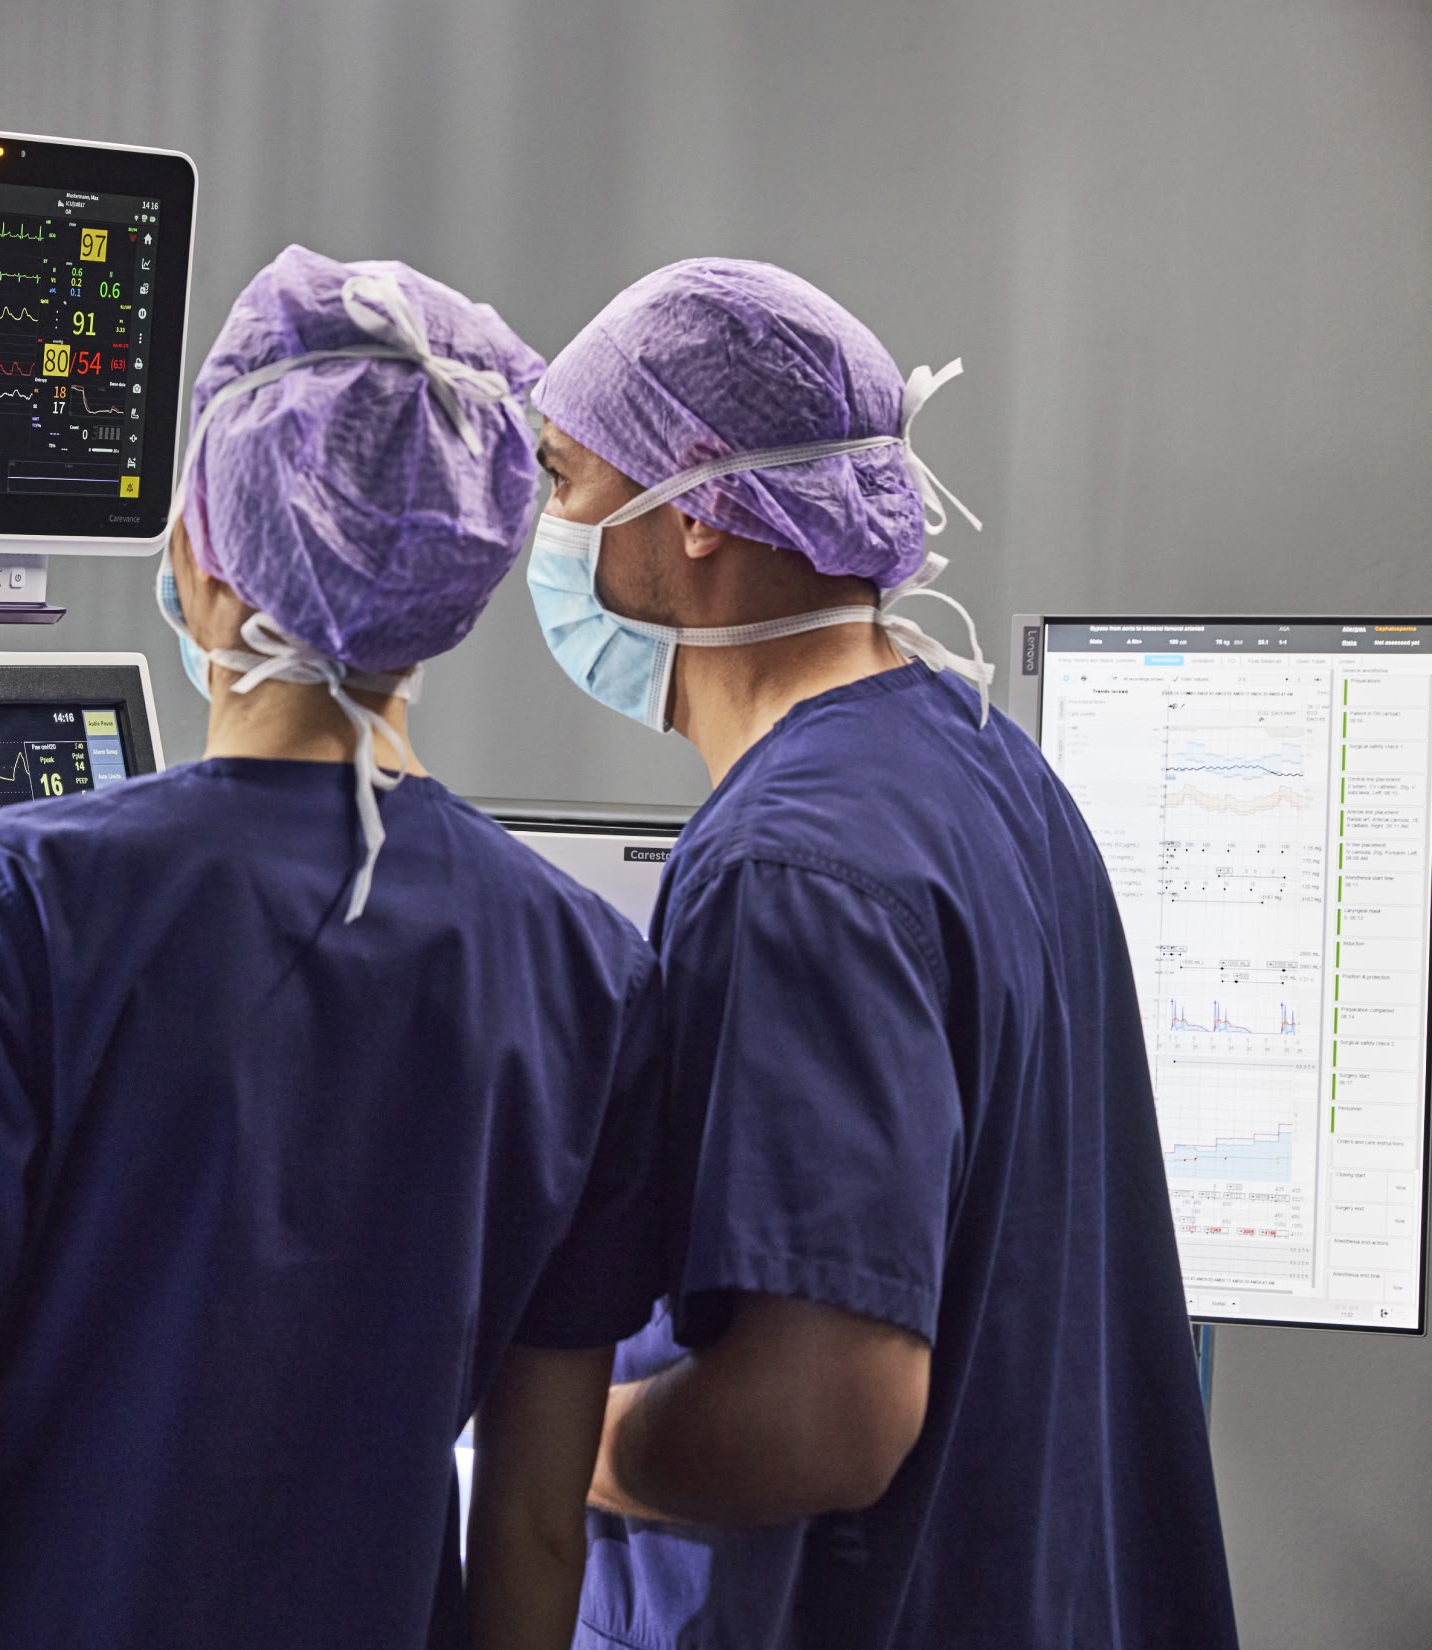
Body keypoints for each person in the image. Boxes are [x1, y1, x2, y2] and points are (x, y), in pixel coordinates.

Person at [0, 245, 672, 1650]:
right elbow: (537, 1520)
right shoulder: (586, 965)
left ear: (200, 549)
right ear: (450, 588)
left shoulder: (15, 902)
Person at [524, 258, 1237, 1649]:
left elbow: (824, 1415)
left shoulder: (790, 870)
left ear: (700, 504)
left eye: (567, 480)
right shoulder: (985, 761)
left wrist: (548, 1441)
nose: (548, 537)